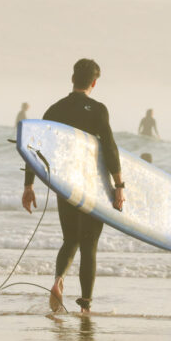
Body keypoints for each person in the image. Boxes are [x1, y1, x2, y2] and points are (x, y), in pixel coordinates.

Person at [22, 59, 124, 313]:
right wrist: (119, 184)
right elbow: (109, 148)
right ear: (94, 82)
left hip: (65, 186)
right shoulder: (99, 109)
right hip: (91, 186)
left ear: (72, 79)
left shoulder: (56, 109)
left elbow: (34, 148)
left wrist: (29, 186)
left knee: (70, 240)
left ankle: (58, 281)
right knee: (89, 245)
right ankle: (86, 305)